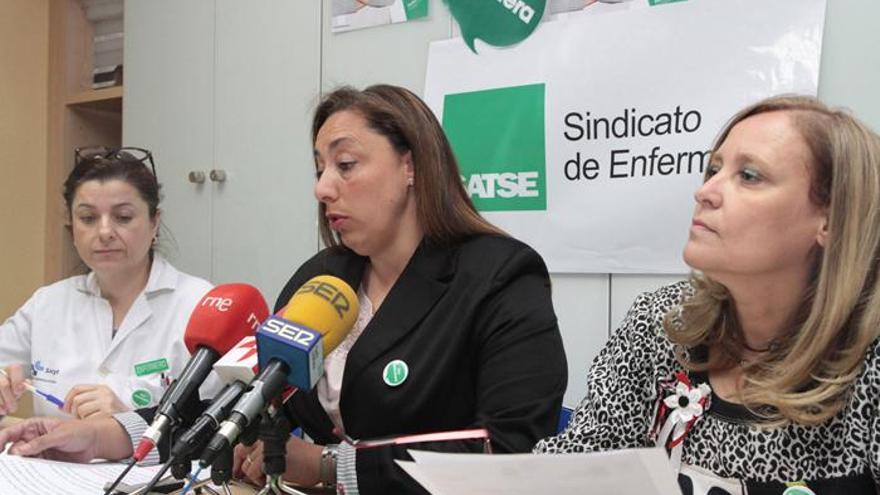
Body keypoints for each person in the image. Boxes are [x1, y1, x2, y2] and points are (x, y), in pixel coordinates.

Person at [0, 85, 568, 494]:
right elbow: (222, 404)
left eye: (345, 164)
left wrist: (326, 466)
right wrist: (97, 437)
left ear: (412, 164)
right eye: (319, 167)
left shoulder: (498, 276)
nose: (323, 187)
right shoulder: (322, 279)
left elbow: (509, 452)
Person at [535, 96, 880, 494]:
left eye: (749, 175)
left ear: (831, 220)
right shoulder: (662, 322)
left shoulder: (867, 360)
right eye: (713, 169)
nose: (706, 191)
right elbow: (575, 469)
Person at [0, 148, 213, 419]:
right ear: (72, 225)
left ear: (154, 223)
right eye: (88, 218)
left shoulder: (200, 304)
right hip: (48, 461)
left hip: (154, 462)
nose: (104, 232)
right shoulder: (47, 303)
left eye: (123, 217)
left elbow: (220, 424)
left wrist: (130, 419)